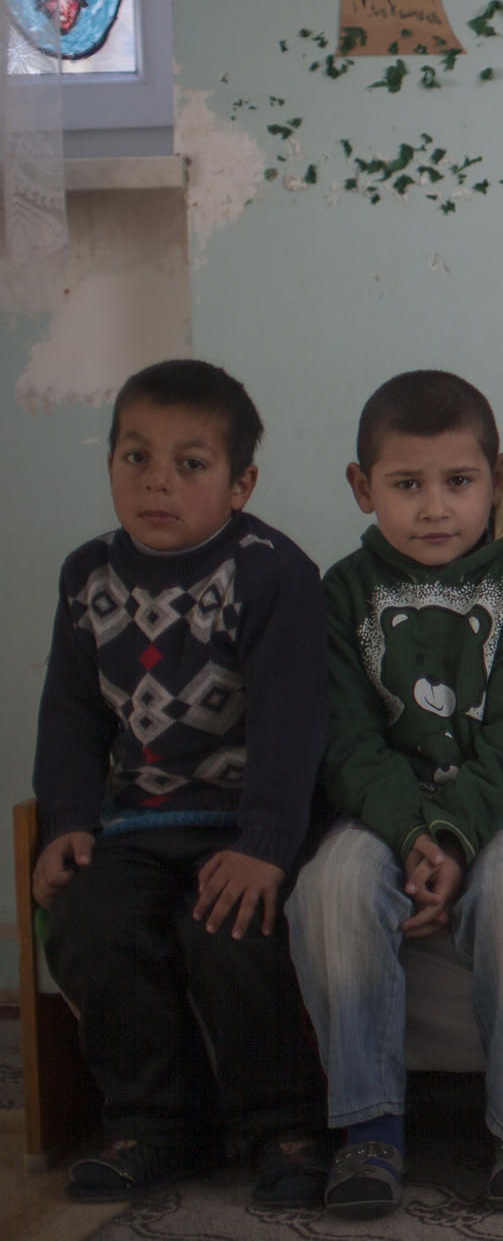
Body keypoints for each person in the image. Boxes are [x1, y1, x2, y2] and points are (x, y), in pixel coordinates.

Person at [31, 360, 329, 1206]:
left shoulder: (273, 574)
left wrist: (267, 845)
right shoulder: (86, 578)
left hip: (247, 822)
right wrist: (66, 821)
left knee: (230, 928)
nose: (157, 480)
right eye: (135, 457)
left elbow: (295, 721)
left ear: (241, 483)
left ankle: (284, 1124)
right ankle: (154, 1124)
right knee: (89, 918)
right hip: (136, 822)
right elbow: (70, 717)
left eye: (190, 463)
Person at [288, 370, 503, 1217]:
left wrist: (450, 835)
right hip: (387, 807)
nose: (435, 507)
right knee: (328, 889)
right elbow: (346, 742)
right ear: (361, 485)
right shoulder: (342, 590)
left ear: (500, 477)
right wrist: (417, 831)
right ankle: (369, 1126)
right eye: (406, 485)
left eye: (459, 482)